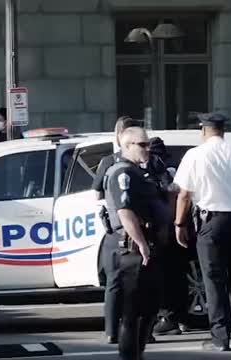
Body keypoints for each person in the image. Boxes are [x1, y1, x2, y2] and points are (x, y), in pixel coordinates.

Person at [173, 113, 231, 351]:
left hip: (210, 223)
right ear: (223, 130)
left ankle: (220, 338)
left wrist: (179, 224)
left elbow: (184, 194)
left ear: (204, 130)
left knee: (214, 281)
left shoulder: (195, 155)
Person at [103, 127, 166, 360]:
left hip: (146, 247)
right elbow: (125, 211)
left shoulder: (137, 172)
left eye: (148, 144)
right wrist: (141, 243)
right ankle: (130, 356)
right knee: (132, 312)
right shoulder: (123, 174)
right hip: (133, 251)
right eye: (142, 145)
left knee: (148, 308)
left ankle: (137, 353)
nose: (147, 149)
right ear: (127, 145)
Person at [92, 116, 143, 345]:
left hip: (115, 231)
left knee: (114, 283)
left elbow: (97, 195)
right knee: (136, 286)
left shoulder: (108, 162)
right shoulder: (133, 164)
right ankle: (137, 332)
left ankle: (112, 330)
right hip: (131, 228)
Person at [147, 137, 188, 336]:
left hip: (166, 230)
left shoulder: (158, 170)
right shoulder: (173, 168)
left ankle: (169, 317)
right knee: (178, 276)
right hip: (179, 228)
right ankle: (180, 317)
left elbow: (170, 196)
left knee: (166, 277)